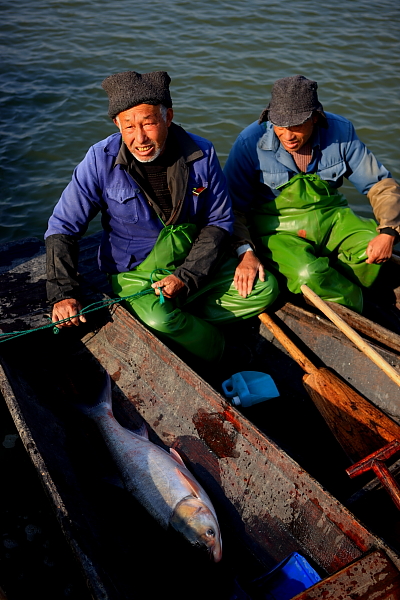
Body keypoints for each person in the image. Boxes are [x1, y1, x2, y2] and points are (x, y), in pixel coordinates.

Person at [45, 70, 278, 364]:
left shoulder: (201, 153)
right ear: (117, 123)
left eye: (149, 123)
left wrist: (187, 276)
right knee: (160, 321)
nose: (139, 137)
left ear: (167, 118)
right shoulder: (98, 160)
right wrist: (63, 292)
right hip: (135, 272)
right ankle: (221, 350)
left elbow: (218, 221)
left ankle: (186, 317)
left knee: (265, 288)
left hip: (193, 261)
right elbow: (63, 228)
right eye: (128, 126)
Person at [224, 75, 400, 313]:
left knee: (372, 243)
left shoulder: (342, 131)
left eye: (296, 126)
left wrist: (389, 232)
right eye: (280, 126)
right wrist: (244, 251)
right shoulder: (249, 142)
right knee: (308, 272)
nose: (287, 136)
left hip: (333, 219)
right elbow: (233, 207)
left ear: (315, 117)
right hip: (276, 230)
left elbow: (380, 185)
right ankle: (359, 309)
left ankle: (345, 288)